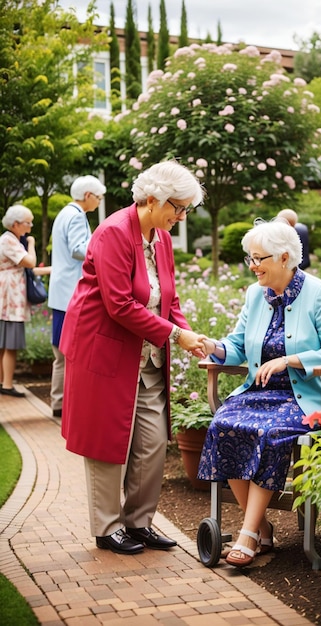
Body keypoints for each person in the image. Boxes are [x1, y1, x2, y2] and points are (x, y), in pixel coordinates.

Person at [60, 160, 208, 555]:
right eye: (177, 208)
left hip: (145, 354)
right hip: (103, 349)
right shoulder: (112, 233)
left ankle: (139, 523)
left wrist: (187, 334)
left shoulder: (160, 238)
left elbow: (168, 299)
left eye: (185, 210)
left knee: (152, 442)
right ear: (153, 199)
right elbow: (119, 304)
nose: (181, 216)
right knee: (107, 442)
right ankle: (107, 529)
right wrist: (177, 334)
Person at [197, 220, 321, 568]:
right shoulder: (256, 294)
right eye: (249, 259)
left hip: (308, 397)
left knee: (269, 432)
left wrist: (290, 360)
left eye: (258, 259)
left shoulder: (318, 292)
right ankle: (263, 529)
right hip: (260, 393)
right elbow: (238, 344)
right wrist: (214, 347)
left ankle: (248, 534)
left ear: (284, 257)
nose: (252, 266)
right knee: (223, 424)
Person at [48, 175, 107, 418]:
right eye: (99, 197)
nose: (99, 201)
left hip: (62, 291)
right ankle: (61, 404)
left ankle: (58, 402)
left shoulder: (65, 213)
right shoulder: (76, 216)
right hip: (69, 294)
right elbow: (78, 249)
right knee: (66, 352)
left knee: (61, 352)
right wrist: (102, 249)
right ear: (88, 196)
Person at [0, 205, 39, 396]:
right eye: (28, 223)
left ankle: (2, 382)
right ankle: (7, 385)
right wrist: (31, 243)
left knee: (4, 343)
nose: (30, 227)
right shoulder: (9, 240)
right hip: (10, 298)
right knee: (10, 344)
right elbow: (30, 262)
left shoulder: (9, 239)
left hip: (8, 296)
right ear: (15, 224)